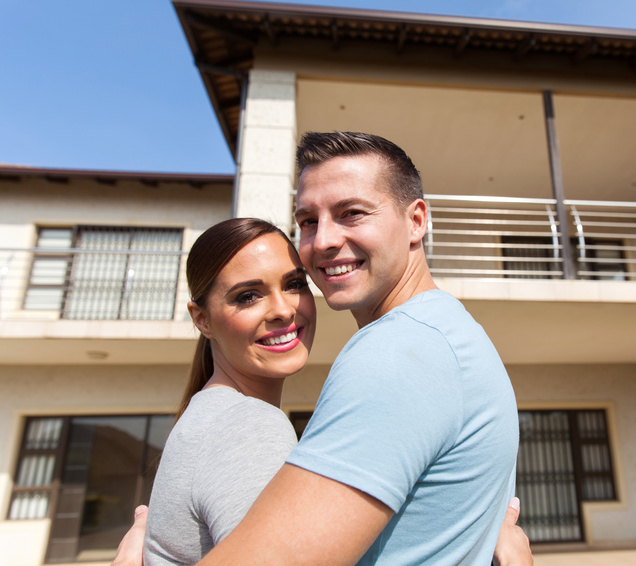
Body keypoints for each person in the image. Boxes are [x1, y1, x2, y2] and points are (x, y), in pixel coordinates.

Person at [114, 132, 528, 565]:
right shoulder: (448, 334)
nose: (324, 240)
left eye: (351, 213)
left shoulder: (397, 352)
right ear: (202, 319)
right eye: (308, 221)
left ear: (416, 221)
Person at [143, 218, 317, 565]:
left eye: (295, 284)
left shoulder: (216, 415)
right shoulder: (246, 425)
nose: (284, 310)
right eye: (248, 296)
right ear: (202, 319)